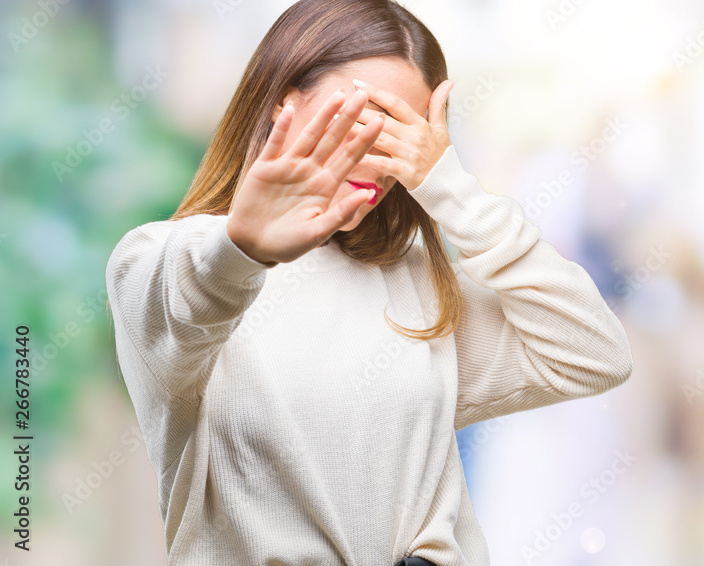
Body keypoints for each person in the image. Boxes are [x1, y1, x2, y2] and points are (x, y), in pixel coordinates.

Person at [104, 1, 634, 564]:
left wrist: (449, 186)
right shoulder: (158, 260)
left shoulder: (418, 286)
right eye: (361, 120)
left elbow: (593, 353)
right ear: (284, 104)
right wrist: (242, 247)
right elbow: (188, 296)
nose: (377, 158)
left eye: (405, 135)